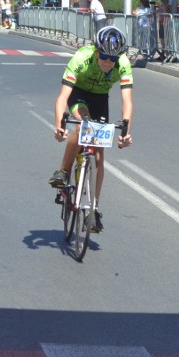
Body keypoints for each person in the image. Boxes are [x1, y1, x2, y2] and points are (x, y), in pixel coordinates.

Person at [49, 26, 133, 234]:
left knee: (98, 156)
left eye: (112, 59)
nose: (107, 62)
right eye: (104, 56)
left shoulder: (123, 65)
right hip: (79, 95)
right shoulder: (81, 58)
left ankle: (94, 209)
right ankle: (62, 171)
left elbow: (127, 103)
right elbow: (61, 98)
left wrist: (125, 133)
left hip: (100, 98)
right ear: (96, 51)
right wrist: (59, 126)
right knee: (85, 124)